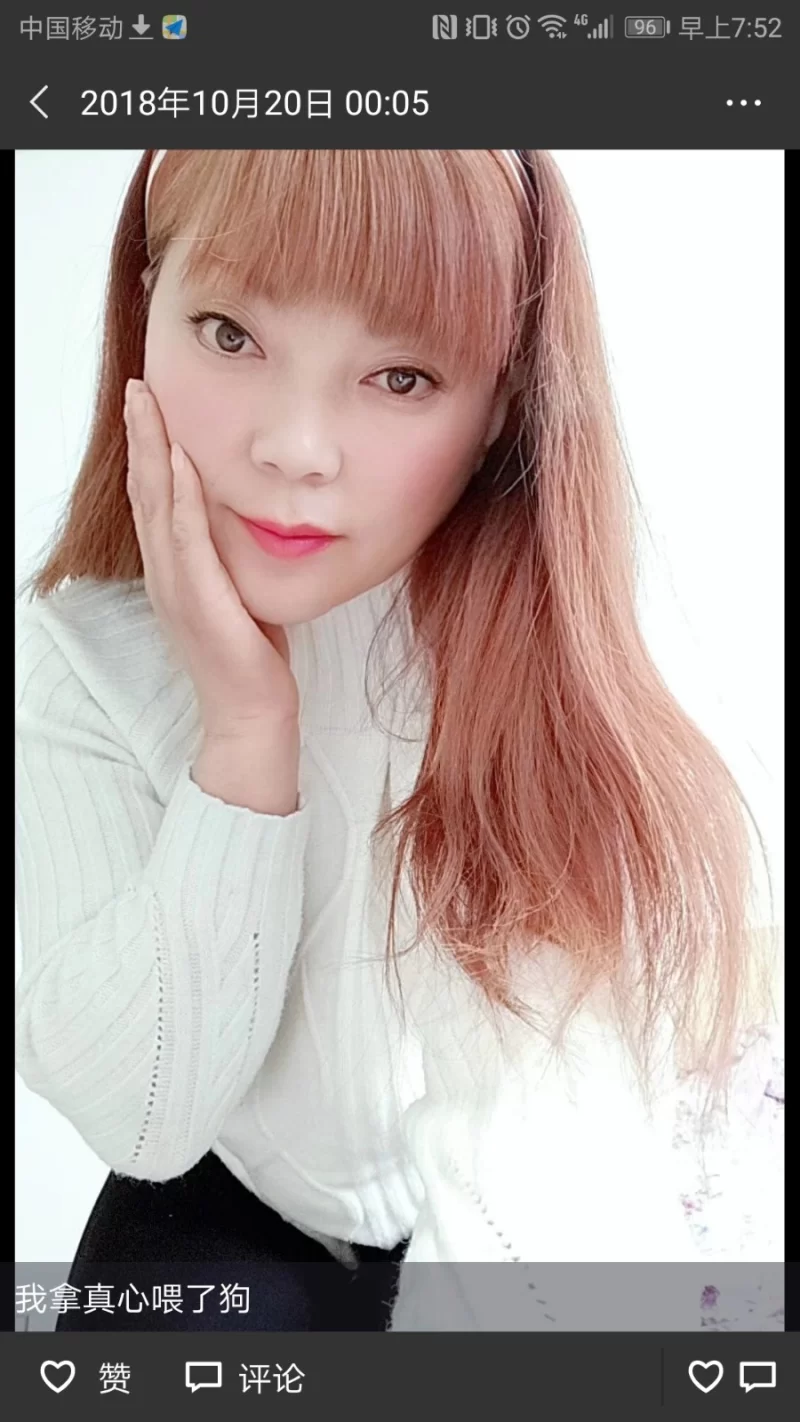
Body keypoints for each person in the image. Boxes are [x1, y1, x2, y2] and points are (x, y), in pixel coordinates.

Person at [15, 150, 782, 1333]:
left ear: (500, 407)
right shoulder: (81, 661)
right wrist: (245, 729)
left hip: (519, 1191)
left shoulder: (566, 665)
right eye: (229, 333)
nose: (296, 447)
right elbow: (146, 1118)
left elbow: (535, 1163)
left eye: (401, 376)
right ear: (144, 304)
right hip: (236, 1203)